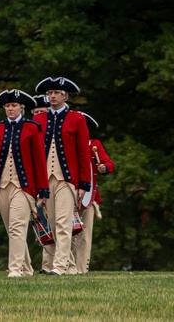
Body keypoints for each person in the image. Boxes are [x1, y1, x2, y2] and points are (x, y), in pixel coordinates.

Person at [0, 90, 49, 278]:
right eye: (7, 106)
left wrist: (43, 189)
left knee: (17, 228)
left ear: (22, 108)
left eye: (14, 105)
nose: (10, 109)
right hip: (2, 186)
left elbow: (39, 161)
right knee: (11, 230)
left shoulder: (32, 127)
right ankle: (27, 269)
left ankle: (15, 270)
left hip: (24, 187)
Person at [33, 77, 90, 276]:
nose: (53, 96)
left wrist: (84, 184)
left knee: (64, 222)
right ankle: (70, 266)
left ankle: (59, 266)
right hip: (46, 179)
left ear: (65, 95)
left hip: (67, 179)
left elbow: (83, 153)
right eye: (50, 93)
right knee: (54, 222)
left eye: (57, 93)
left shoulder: (77, 119)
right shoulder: (39, 120)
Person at [73, 113, 114, 274]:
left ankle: (81, 269)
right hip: (66, 194)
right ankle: (64, 266)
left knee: (84, 235)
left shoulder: (94, 145)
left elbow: (108, 163)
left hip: (89, 197)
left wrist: (105, 168)